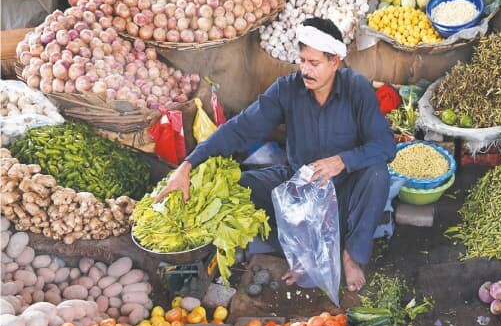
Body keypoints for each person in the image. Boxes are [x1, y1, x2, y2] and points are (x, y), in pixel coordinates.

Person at [154, 17, 396, 291]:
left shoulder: (356, 89)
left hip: (345, 188)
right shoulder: (287, 89)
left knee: (378, 174)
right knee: (238, 185)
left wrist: (342, 161)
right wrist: (188, 165)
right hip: (300, 186)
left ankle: (351, 255)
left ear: (334, 62)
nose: (306, 70)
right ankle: (301, 250)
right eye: (302, 61)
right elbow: (240, 129)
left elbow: (385, 144)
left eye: (314, 63)